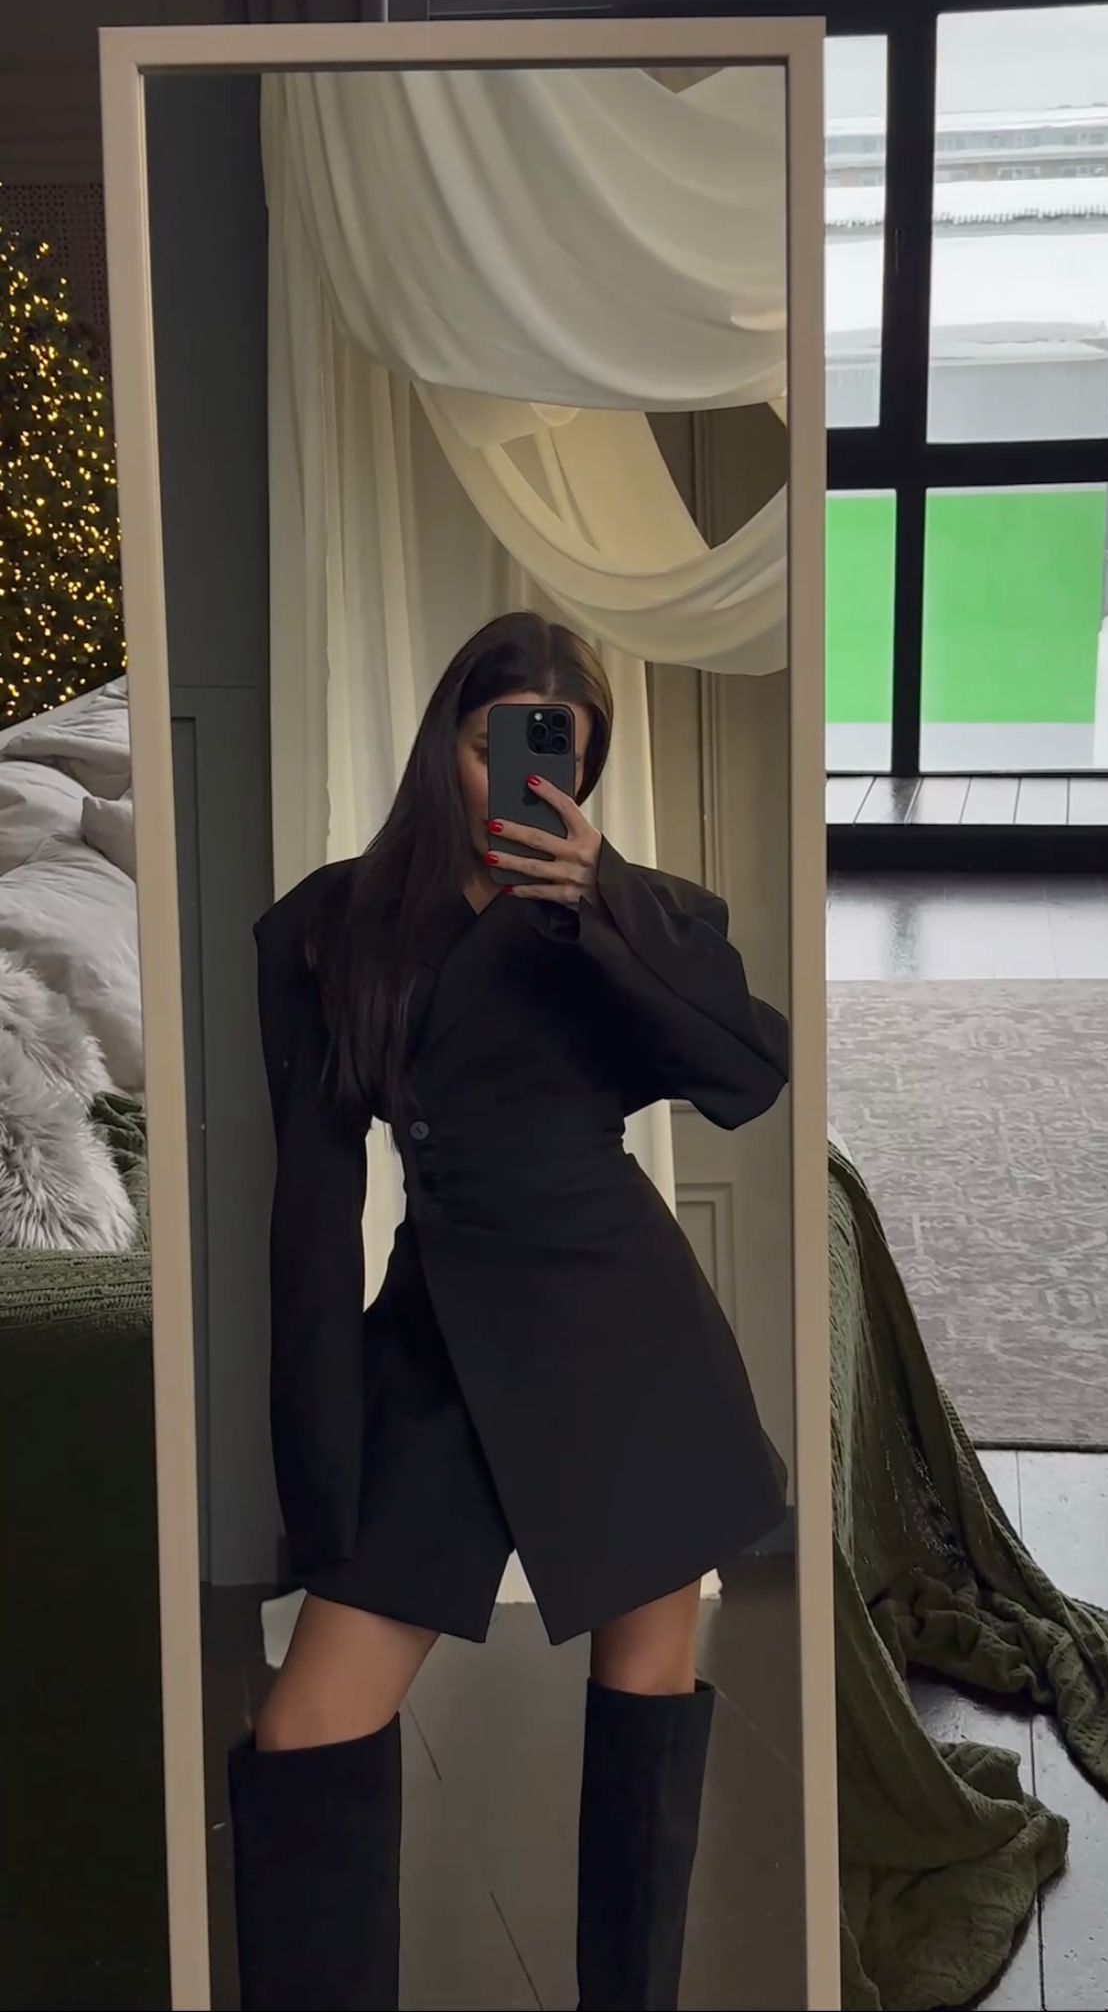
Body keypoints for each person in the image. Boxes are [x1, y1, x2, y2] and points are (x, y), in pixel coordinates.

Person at [228, 611, 790, 2012]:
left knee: (646, 1703)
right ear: (448, 744)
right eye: (501, 747)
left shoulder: (632, 922)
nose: (530, 780)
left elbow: (746, 1073)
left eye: (561, 759)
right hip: (439, 1347)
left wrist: (610, 903)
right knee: (306, 1726)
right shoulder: (329, 929)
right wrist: (318, 1471)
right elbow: (308, 1218)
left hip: (627, 1343)